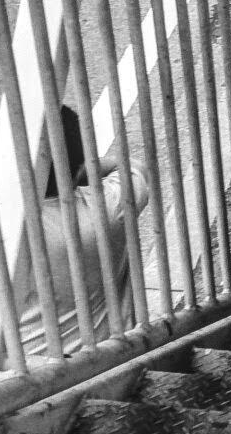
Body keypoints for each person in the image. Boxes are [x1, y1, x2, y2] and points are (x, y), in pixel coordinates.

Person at [12, 104, 138, 355]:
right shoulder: (109, 205)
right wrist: (82, 171)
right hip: (105, 358)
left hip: (22, 368)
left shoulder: (6, 228)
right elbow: (134, 166)